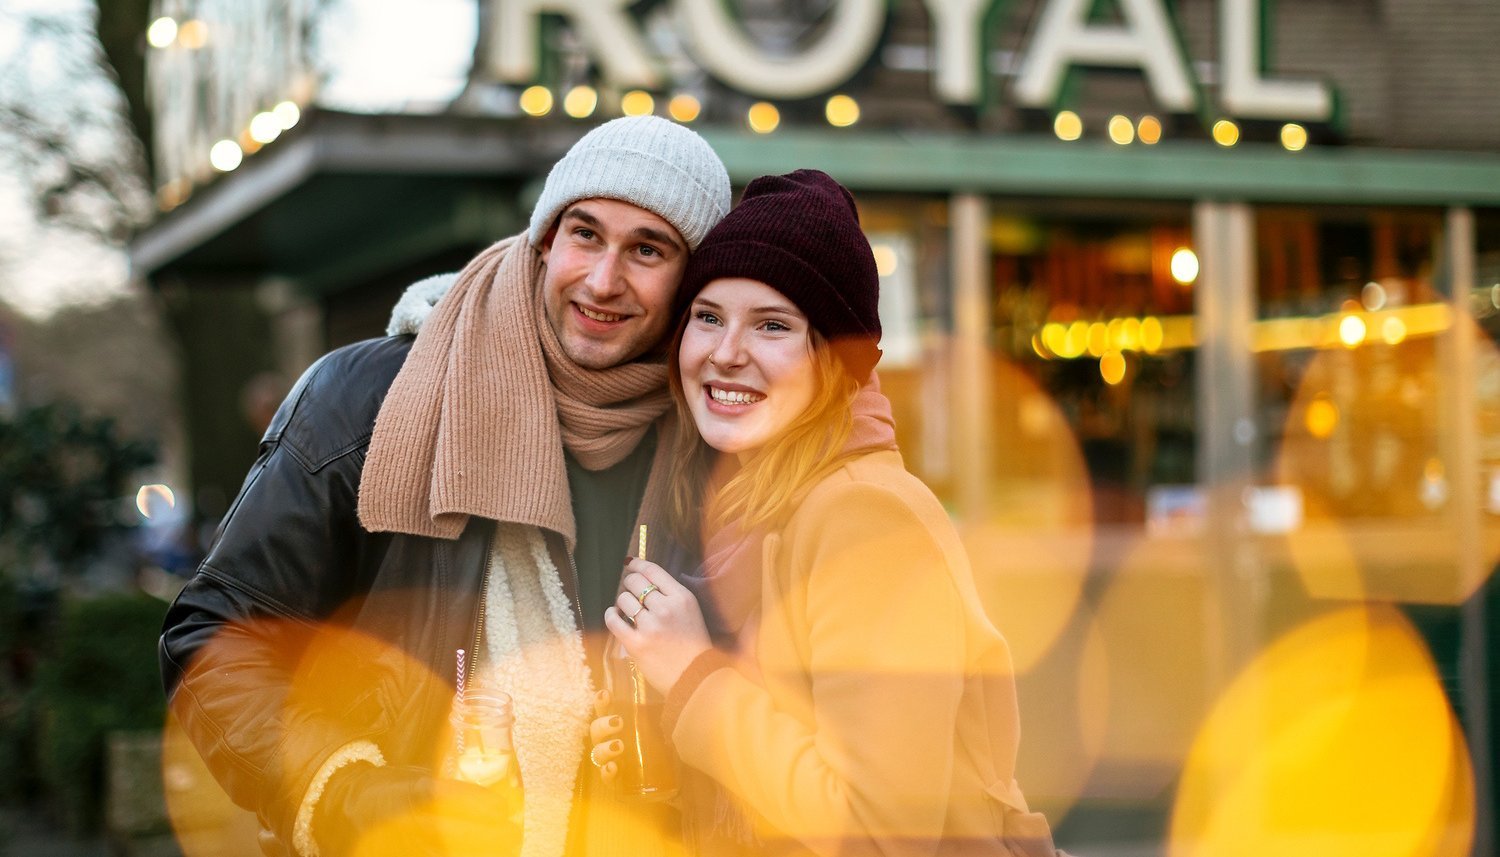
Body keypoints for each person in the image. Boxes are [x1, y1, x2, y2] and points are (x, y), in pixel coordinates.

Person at [158, 115, 731, 857]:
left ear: (689, 281)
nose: (602, 279)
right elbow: (213, 634)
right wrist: (351, 796)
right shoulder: (365, 397)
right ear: (545, 240)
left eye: (647, 249)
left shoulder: (705, 438)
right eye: (585, 233)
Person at [589, 171, 1061, 856]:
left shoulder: (867, 517)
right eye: (709, 316)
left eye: (773, 325)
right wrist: (663, 728)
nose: (726, 352)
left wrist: (692, 675)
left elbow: (874, 832)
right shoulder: (747, 506)